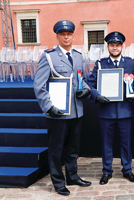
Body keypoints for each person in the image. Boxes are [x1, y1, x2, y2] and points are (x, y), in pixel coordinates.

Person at [33, 20, 92, 196]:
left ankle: (72, 176)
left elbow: (82, 79)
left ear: (73, 35)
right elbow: (39, 85)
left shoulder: (78, 55)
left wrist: (86, 90)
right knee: (56, 149)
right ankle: (58, 182)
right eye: (62, 34)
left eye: (69, 34)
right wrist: (49, 107)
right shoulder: (49, 56)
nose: (66, 37)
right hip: (57, 111)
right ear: (57, 36)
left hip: (76, 109)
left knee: (73, 148)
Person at [87, 31, 134, 185]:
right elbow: (90, 84)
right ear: (108, 47)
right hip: (107, 110)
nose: (115, 48)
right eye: (112, 45)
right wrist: (96, 95)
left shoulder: (130, 63)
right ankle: (106, 171)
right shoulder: (100, 64)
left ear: (122, 46)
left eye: (118, 45)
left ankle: (127, 170)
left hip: (125, 110)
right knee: (106, 143)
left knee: (126, 143)